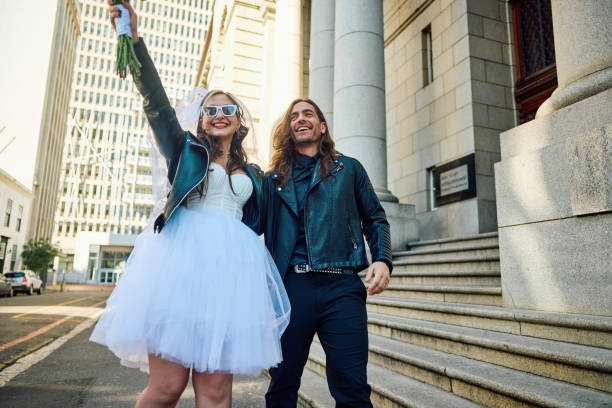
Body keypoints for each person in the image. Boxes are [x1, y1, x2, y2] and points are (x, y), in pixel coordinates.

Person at [90, 3, 290, 408]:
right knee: (167, 387)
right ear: (200, 122)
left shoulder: (255, 176)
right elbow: (157, 104)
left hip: (231, 280)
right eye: (209, 110)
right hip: (178, 271)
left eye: (227, 109)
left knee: (215, 393)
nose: (218, 115)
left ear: (239, 120)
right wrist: (135, 38)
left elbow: (268, 221)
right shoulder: (184, 151)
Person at [250, 99, 393, 407]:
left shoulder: (349, 168)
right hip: (290, 290)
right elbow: (250, 225)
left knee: (352, 388)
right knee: (282, 385)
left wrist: (382, 259)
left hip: (341, 287)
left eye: (308, 114)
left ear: (322, 126)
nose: (300, 119)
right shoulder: (272, 180)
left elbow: (375, 218)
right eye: (294, 116)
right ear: (289, 128)